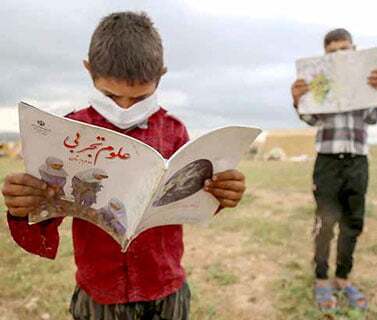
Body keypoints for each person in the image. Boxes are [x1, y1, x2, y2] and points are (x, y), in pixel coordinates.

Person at [1, 12, 246, 320]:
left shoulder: (173, 131)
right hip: (98, 293)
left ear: (161, 75)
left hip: (165, 289)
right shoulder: (69, 133)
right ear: (88, 70)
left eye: (140, 97)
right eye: (110, 95)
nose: (125, 108)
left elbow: (192, 200)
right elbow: (45, 216)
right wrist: (23, 206)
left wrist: (222, 193)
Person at [290, 28, 377, 311]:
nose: (339, 55)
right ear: (325, 55)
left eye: (344, 50)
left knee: (353, 222)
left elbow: (373, 116)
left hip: (358, 161)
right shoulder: (319, 81)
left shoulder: (366, 79)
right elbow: (311, 118)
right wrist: (298, 100)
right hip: (328, 161)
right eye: (332, 52)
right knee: (325, 224)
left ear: (354, 49)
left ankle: (343, 277)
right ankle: (321, 278)